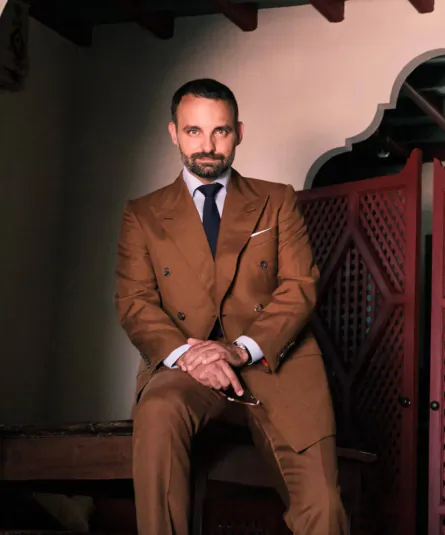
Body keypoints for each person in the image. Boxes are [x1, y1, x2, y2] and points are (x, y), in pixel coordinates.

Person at [114, 78, 344, 535]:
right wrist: (191, 357)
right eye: (194, 131)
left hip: (276, 365)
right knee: (158, 412)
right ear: (174, 133)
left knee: (323, 506)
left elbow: (300, 286)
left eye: (219, 131)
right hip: (186, 370)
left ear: (239, 132)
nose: (208, 145)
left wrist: (239, 350)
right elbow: (134, 302)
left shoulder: (277, 200)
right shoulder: (141, 213)